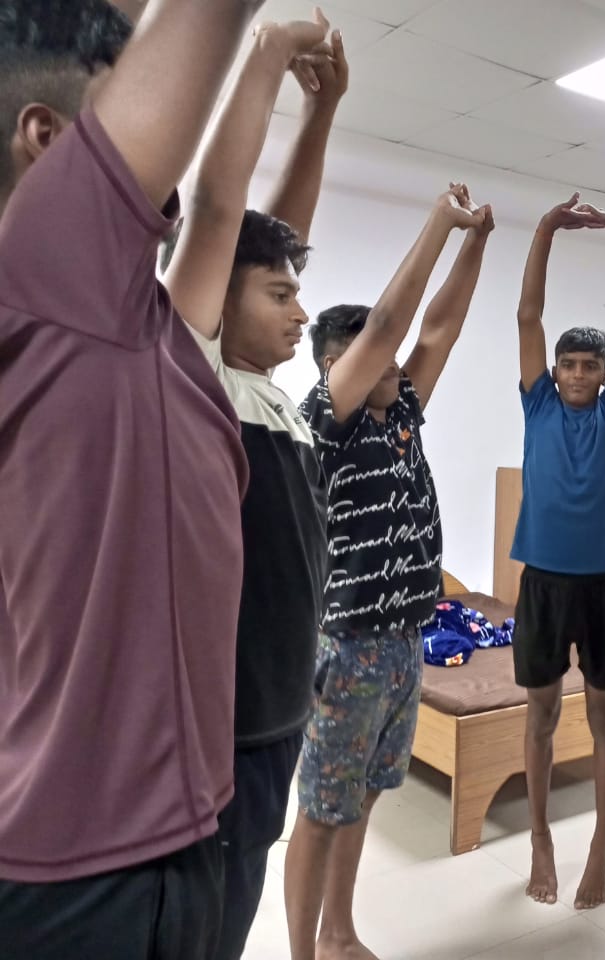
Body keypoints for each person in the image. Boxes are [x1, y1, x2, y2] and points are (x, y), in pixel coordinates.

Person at [0, 1, 272, 956]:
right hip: (81, 873)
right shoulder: (34, 267)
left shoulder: (137, 335)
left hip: (174, 835)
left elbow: (224, 206)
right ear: (49, 144)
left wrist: (275, 59)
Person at [161, 12, 344, 958]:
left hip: (279, 718)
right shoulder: (192, 377)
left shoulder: (277, 403)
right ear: (215, 300)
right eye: (279, 297)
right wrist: (267, 53)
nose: (301, 313)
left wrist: (323, 115)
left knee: (232, 921)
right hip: (218, 734)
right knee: (206, 930)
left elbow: (276, 239)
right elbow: (221, 213)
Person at [284, 183, 491, 960]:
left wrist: (476, 242)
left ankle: (339, 933)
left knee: (365, 796)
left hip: (407, 639)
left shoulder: (399, 411)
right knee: (322, 809)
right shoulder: (325, 421)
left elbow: (438, 327)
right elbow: (395, 325)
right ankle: (303, 953)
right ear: (336, 365)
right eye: (379, 354)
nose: (397, 362)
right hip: (350, 645)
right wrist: (440, 222)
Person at [510, 193, 605, 911]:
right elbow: (527, 316)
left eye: (586, 365)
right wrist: (545, 228)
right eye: (566, 363)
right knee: (539, 716)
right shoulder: (537, 402)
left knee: (602, 716)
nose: (573, 373)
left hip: (601, 587)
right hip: (541, 583)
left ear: (601, 374)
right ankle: (539, 838)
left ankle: (601, 844)